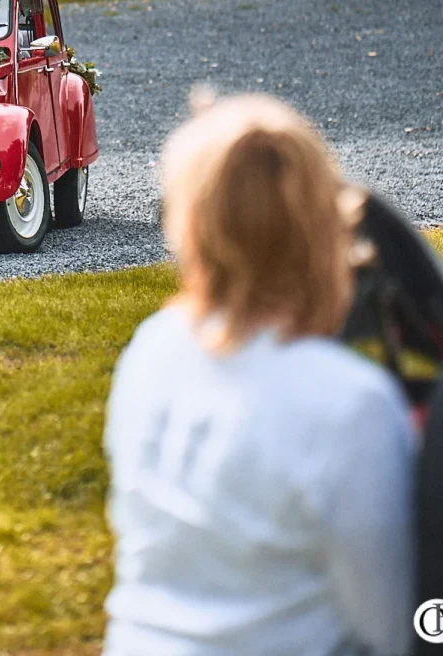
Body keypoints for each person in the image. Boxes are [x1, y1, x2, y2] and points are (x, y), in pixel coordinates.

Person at [103, 92, 415, 656]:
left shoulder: (152, 350)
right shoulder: (349, 404)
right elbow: (391, 623)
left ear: (190, 223)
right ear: (324, 223)